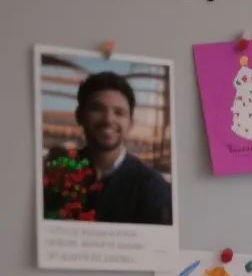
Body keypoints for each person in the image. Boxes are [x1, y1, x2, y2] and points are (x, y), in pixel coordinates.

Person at [44, 71, 171, 225]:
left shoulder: (151, 187)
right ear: (80, 116)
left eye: (119, 112)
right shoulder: (58, 174)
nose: (108, 119)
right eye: (97, 108)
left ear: (130, 123)